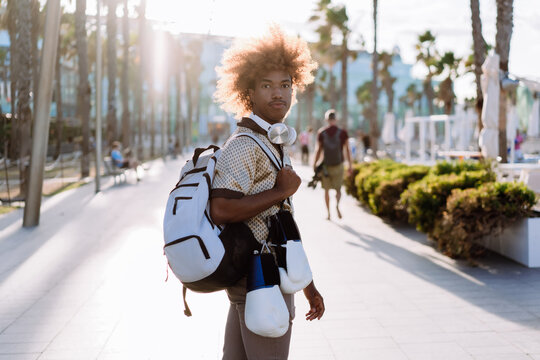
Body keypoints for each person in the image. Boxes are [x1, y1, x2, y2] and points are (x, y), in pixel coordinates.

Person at [210, 26, 325, 360]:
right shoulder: (244, 145)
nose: (279, 94)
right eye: (267, 85)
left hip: (260, 278)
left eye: (286, 85)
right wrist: (280, 191)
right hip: (261, 281)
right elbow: (221, 209)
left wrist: (308, 286)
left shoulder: (272, 143)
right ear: (249, 93)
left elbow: (279, 226)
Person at [313, 109, 353, 220]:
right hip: (339, 165)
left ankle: (328, 214)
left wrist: (315, 164)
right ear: (336, 119)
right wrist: (350, 166)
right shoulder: (343, 133)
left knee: (326, 190)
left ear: (326, 119)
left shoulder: (322, 132)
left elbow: (318, 150)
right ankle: (337, 205)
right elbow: (348, 150)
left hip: (326, 166)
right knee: (338, 189)